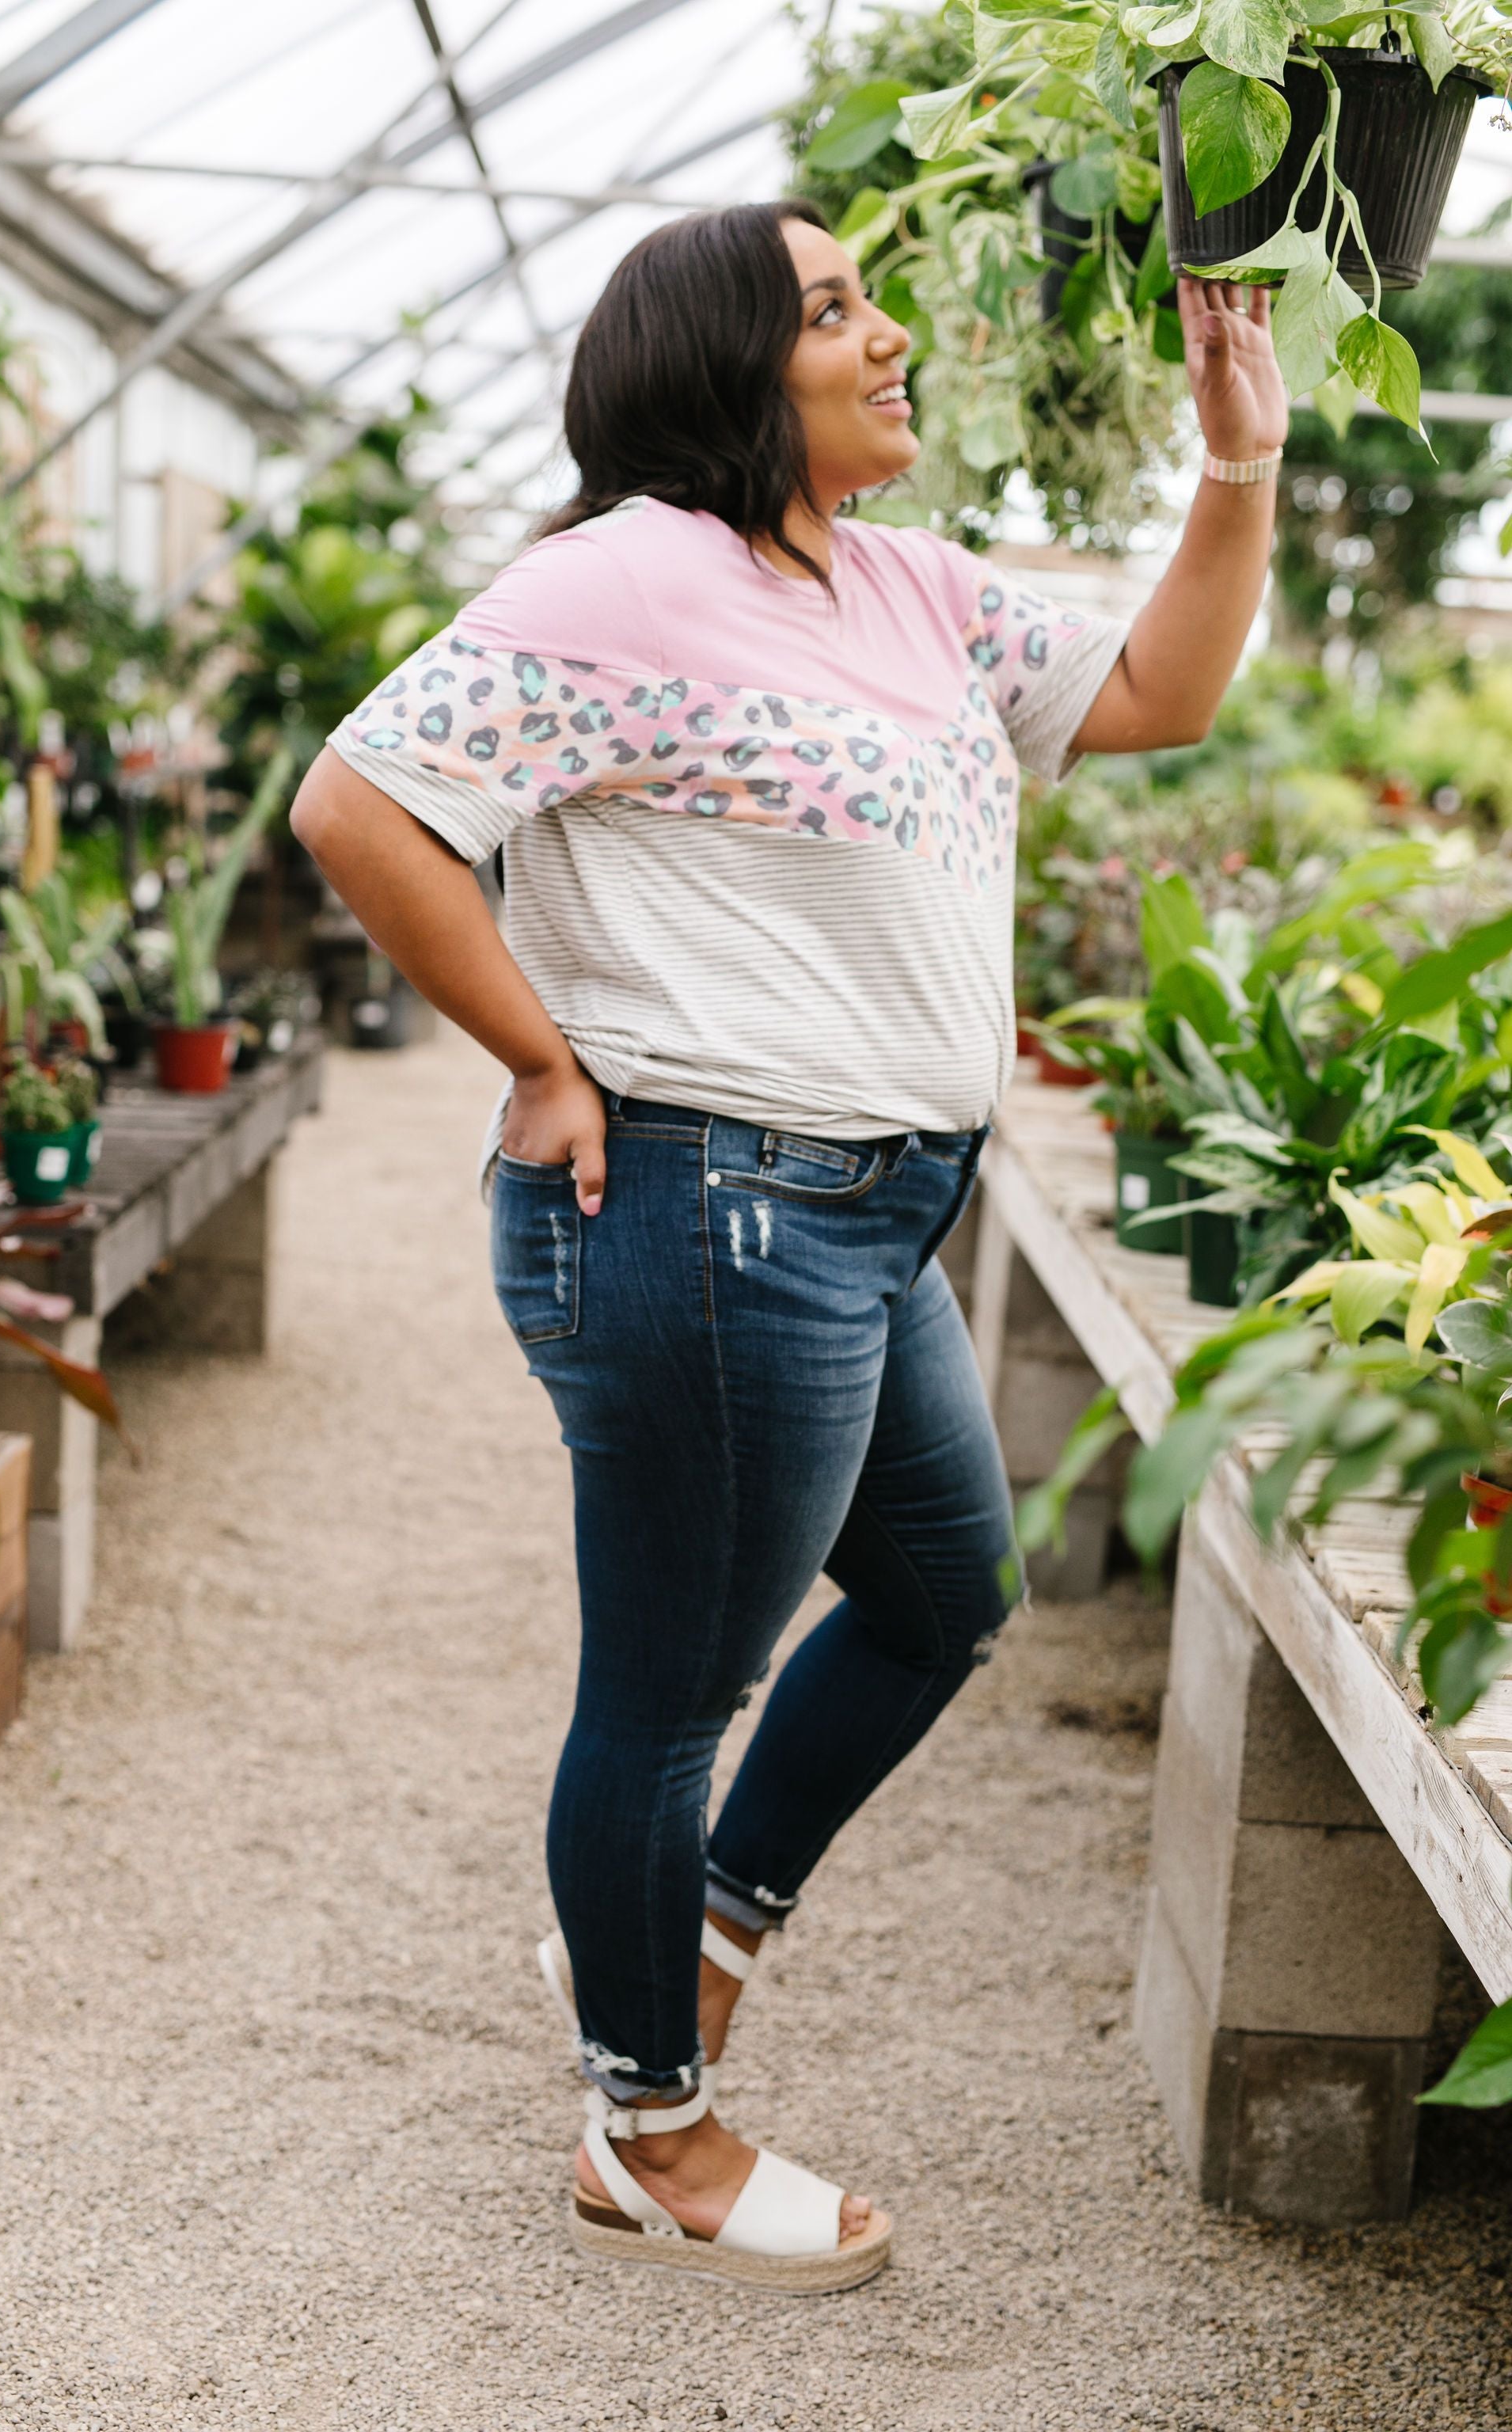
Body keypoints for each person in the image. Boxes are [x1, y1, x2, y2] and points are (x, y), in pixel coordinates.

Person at [291, 198, 1288, 2293]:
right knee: (669, 1690)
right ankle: (644, 2124)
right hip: (708, 1207)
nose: (890, 331)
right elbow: (359, 807)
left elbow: (1173, 691)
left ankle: (704, 1924)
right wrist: (542, 1061)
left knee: (946, 1590)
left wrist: (1239, 459)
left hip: (873, 1209)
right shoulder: (625, 576)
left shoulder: (907, 588)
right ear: (730, 372)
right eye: (835, 311)